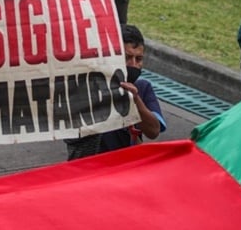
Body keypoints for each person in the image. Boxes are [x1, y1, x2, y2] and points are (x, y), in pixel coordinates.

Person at [65, 24, 166, 160]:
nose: (133, 64)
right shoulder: (88, 85)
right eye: (127, 58)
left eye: (138, 59)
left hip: (125, 166)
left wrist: (135, 101)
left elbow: (153, 131)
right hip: (89, 165)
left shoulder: (143, 87)